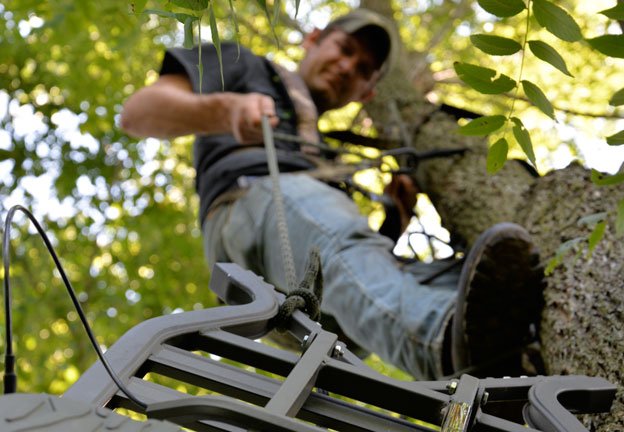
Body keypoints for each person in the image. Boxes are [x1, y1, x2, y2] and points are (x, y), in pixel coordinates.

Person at [120, 9, 544, 380]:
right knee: (344, 243)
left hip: (312, 301)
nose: (347, 66)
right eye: (343, 49)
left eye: (362, 69)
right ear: (313, 40)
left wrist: (394, 221)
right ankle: (440, 340)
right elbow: (139, 113)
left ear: (367, 93)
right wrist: (225, 110)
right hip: (248, 206)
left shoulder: (315, 152)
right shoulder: (246, 68)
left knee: (469, 282)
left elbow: (352, 273)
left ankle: (516, 360)